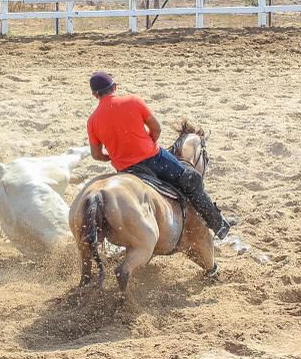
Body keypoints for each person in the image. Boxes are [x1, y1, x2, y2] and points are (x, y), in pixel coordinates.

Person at [85, 71, 231, 240]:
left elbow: (96, 155)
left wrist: (115, 155)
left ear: (95, 95)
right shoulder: (133, 101)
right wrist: (149, 143)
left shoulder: (92, 120)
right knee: (192, 180)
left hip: (126, 170)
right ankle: (218, 225)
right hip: (154, 158)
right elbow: (156, 128)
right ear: (115, 87)